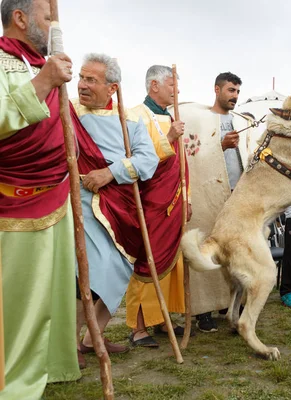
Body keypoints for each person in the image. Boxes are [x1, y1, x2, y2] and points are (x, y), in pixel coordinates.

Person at [0, 0, 81, 396]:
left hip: (58, 193)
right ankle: (13, 377)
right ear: (20, 18)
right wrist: (44, 82)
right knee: (21, 297)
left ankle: (52, 364)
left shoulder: (44, 66)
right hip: (14, 197)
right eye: (48, 18)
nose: (54, 26)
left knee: (55, 291)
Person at [73, 53, 159, 363]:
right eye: (81, 78)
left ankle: (90, 338)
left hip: (120, 209)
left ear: (112, 88)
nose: (82, 85)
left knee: (118, 271)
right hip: (79, 204)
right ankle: (68, 346)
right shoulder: (66, 111)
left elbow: (148, 161)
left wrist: (110, 172)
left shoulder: (132, 119)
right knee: (84, 275)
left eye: (91, 80)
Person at [125, 65, 191, 347]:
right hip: (150, 200)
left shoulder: (172, 117)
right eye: (172, 86)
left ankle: (163, 317)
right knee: (147, 259)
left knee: (172, 260)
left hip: (175, 199)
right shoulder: (135, 115)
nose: (177, 91)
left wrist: (187, 197)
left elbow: (183, 164)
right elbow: (137, 160)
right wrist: (171, 137)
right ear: (154, 85)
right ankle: (139, 327)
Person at [183, 72, 254, 332]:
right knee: (207, 248)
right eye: (231, 90)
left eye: (237, 91)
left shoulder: (241, 121)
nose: (235, 96)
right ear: (217, 89)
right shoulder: (200, 121)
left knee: (236, 251)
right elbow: (192, 156)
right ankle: (204, 310)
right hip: (209, 195)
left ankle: (232, 304)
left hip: (238, 196)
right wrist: (219, 145)